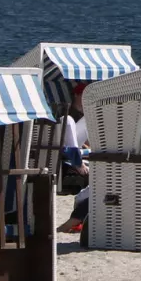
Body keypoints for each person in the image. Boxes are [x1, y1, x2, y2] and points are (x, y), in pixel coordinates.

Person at [57, 84, 91, 233]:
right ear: (77, 95)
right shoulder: (69, 114)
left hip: (74, 150)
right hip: (66, 152)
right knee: (69, 120)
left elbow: (80, 139)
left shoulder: (81, 116)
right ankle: (77, 161)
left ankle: (77, 219)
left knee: (90, 117)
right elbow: (69, 139)